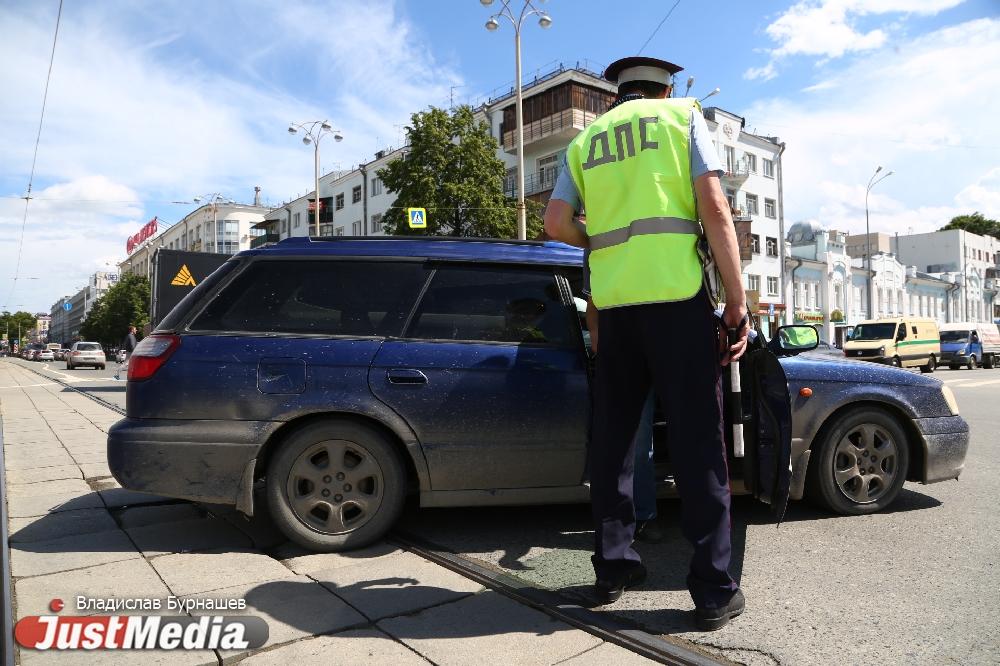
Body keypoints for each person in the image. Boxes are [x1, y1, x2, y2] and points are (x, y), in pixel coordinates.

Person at [544, 56, 749, 631]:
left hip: (614, 311)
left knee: (613, 441)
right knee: (698, 443)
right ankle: (712, 591)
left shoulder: (587, 142)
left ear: (618, 94)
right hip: (677, 302)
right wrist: (737, 300)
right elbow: (715, 208)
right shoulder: (681, 118)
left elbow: (556, 223)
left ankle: (612, 570)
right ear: (666, 88)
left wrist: (607, 248)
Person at [583, 251, 662, 544]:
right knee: (635, 442)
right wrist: (602, 351)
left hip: (647, 354)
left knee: (637, 441)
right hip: (627, 358)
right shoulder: (602, 245)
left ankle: (638, 516)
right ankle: (640, 516)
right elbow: (594, 308)